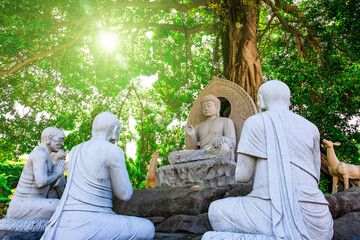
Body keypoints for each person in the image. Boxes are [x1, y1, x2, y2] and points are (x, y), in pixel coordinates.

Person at [205, 81, 333, 239]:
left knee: (216, 211)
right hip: (320, 223)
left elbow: (242, 175)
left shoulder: (255, 122)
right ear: (289, 100)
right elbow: (316, 177)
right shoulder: (311, 127)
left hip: (269, 210)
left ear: (261, 100)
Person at [41, 112, 155, 240]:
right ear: (115, 131)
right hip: (91, 221)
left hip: (63, 222)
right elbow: (124, 194)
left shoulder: (75, 150)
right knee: (147, 227)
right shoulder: (113, 150)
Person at [6, 127, 66, 221]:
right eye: (60, 140)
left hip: (35, 201)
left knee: (64, 205)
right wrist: (56, 173)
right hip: (22, 205)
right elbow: (41, 183)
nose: (62, 144)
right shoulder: (40, 154)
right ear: (49, 138)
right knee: (60, 206)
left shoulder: (47, 156)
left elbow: (45, 188)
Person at [168, 95, 236, 164]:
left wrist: (223, 139)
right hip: (201, 152)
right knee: (173, 156)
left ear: (217, 107)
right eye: (203, 107)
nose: (206, 109)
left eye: (209, 106)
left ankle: (194, 160)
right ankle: (200, 158)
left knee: (225, 148)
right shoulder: (199, 126)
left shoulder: (226, 121)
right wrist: (191, 135)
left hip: (215, 150)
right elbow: (193, 149)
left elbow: (233, 142)